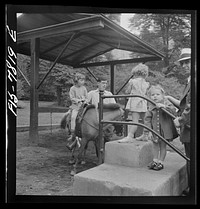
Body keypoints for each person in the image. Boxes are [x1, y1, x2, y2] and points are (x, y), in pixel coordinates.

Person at [165, 48, 191, 194]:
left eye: (188, 62)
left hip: (190, 128)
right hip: (189, 128)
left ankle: (191, 190)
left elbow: (191, 107)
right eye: (183, 63)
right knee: (189, 159)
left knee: (191, 160)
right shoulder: (189, 80)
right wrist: (168, 98)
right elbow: (184, 105)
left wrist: (180, 120)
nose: (185, 65)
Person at [136, 85, 179, 170]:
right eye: (152, 95)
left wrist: (164, 107)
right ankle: (155, 160)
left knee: (163, 146)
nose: (155, 96)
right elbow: (147, 120)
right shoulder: (151, 106)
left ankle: (161, 162)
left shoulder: (167, 103)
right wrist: (147, 131)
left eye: (157, 94)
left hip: (165, 131)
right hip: (155, 130)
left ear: (163, 95)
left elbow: (174, 112)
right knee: (155, 145)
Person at [118, 63, 150, 143]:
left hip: (135, 102)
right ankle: (145, 135)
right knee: (145, 120)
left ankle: (130, 136)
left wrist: (129, 91)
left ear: (135, 73)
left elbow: (128, 91)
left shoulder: (133, 81)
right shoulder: (146, 83)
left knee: (135, 121)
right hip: (143, 102)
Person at [66, 73, 88, 147]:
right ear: (76, 80)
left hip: (83, 105)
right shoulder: (72, 88)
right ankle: (72, 131)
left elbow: (86, 96)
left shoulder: (84, 88)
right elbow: (72, 98)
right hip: (76, 106)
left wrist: (85, 100)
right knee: (73, 117)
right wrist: (78, 100)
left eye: (83, 80)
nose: (82, 82)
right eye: (81, 80)